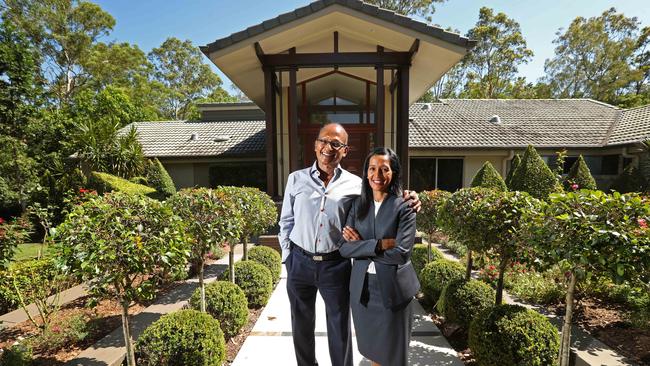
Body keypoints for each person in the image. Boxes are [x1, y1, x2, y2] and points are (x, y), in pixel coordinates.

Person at [278, 123, 419, 366]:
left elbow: (381, 193)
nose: (328, 148)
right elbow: (286, 221)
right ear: (315, 144)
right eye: (324, 141)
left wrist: (411, 196)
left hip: (335, 264)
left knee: (339, 325)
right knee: (300, 324)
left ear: (345, 150)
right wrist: (288, 256)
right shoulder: (296, 179)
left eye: (336, 144)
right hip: (299, 263)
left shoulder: (356, 184)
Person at [339, 147, 419, 366]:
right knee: (373, 352)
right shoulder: (357, 206)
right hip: (363, 290)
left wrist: (361, 248)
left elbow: (401, 254)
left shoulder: (405, 206)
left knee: (394, 355)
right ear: (366, 172)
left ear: (393, 173)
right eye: (372, 169)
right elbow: (344, 249)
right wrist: (380, 245)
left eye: (384, 169)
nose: (377, 175)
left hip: (393, 290)